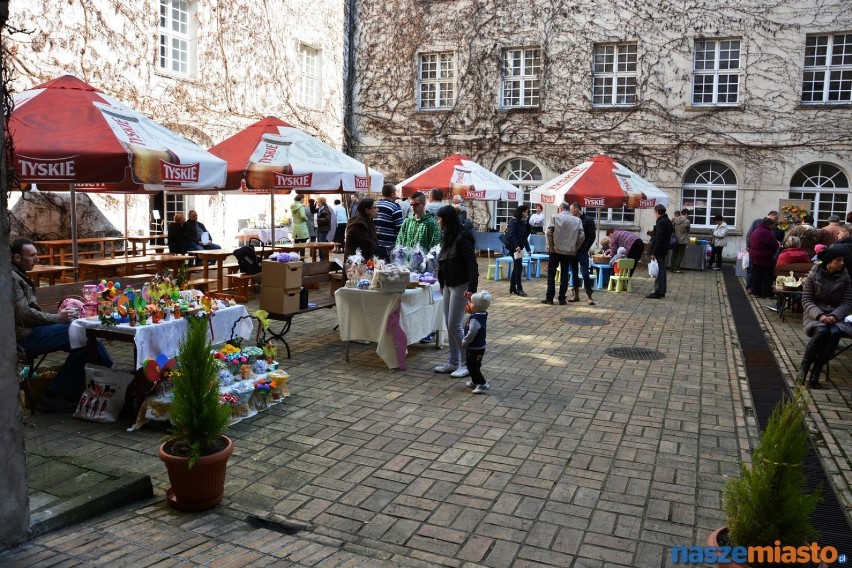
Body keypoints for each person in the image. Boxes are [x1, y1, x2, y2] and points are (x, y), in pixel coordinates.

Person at [12, 238, 112, 412]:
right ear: (17, 258)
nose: (37, 259)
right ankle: (55, 395)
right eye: (32, 255)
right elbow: (23, 314)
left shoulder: (17, 274)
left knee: (83, 342)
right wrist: (56, 318)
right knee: (79, 333)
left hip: (31, 331)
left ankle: (80, 386)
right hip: (23, 337)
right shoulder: (13, 278)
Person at [434, 205, 479, 379]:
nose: (438, 221)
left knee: (454, 325)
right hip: (448, 285)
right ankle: (454, 361)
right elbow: (443, 261)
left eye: (440, 218)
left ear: (447, 219)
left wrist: (472, 289)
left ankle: (467, 364)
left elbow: (471, 263)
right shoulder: (448, 236)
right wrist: (442, 282)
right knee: (449, 324)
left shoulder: (462, 237)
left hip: (461, 285)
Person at [800, 248, 852, 388]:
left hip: (837, 315)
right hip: (814, 314)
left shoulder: (845, 277)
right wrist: (820, 315)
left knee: (834, 332)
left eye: (843, 260)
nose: (842, 263)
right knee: (822, 331)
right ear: (829, 263)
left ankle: (816, 370)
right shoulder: (814, 275)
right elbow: (807, 300)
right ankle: (804, 368)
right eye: (838, 261)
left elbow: (847, 302)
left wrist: (835, 316)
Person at [397, 191, 443, 343]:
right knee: (411, 301)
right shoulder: (407, 222)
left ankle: (429, 330)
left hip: (426, 271)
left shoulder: (431, 223)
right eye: (411, 205)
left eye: (415, 205)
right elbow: (400, 242)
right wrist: (400, 259)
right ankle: (412, 329)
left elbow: (435, 245)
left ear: (423, 204)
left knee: (426, 300)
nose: (413, 208)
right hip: (409, 269)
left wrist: (427, 263)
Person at [541, 202, 584, 305]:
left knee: (551, 273)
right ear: (568, 209)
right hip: (568, 251)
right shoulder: (577, 220)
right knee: (564, 274)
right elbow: (582, 236)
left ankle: (549, 298)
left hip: (555, 250)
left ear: (560, 209)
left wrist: (551, 247)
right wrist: (575, 248)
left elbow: (548, 232)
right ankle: (562, 298)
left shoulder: (554, 217)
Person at [461, 290, 492, 394]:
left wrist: (465, 341)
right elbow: (477, 305)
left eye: (471, 303)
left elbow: (472, 332)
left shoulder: (475, 319)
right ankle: (475, 381)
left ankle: (482, 383)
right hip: (477, 347)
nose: (470, 305)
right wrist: (470, 298)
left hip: (474, 347)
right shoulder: (482, 313)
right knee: (472, 365)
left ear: (477, 306)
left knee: (473, 366)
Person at [569, 202, 596, 305]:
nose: (570, 212)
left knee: (585, 273)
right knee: (574, 273)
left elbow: (592, 236)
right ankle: (575, 294)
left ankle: (589, 296)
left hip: (582, 251)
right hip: (573, 250)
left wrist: (584, 249)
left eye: (571, 210)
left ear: (576, 209)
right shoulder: (572, 220)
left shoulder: (588, 220)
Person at [746, 210, 779, 291]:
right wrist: (777, 245)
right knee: (767, 275)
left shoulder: (758, 229)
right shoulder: (766, 232)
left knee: (756, 274)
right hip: (764, 257)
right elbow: (774, 244)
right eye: (773, 225)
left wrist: (750, 247)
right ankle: (766, 292)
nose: (773, 227)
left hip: (755, 255)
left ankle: (756, 291)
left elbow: (750, 237)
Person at [647, 204, 674, 299]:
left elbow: (659, 239)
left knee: (659, 271)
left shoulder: (661, 222)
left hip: (660, 249)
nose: (654, 214)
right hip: (664, 249)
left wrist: (654, 252)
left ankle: (658, 291)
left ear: (657, 212)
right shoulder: (667, 221)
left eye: (655, 212)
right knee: (662, 270)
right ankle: (662, 290)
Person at [504, 204, 531, 297]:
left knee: (517, 267)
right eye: (525, 212)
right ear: (520, 212)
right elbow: (511, 235)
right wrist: (516, 246)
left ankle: (512, 287)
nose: (527, 214)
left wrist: (528, 248)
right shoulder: (514, 222)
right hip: (514, 248)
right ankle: (519, 288)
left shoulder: (521, 222)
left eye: (527, 212)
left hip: (519, 247)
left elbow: (524, 237)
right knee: (518, 267)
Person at [374, 183, 404, 260]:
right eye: (395, 192)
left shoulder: (375, 205)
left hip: (375, 244)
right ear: (392, 194)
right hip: (389, 246)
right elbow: (400, 228)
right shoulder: (395, 207)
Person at [315, 197, 335, 261]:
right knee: (320, 244)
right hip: (320, 228)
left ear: (322, 202)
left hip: (324, 229)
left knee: (322, 244)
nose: (317, 203)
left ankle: (323, 258)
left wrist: (318, 219)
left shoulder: (326, 209)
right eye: (317, 202)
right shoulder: (320, 209)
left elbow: (327, 219)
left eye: (318, 202)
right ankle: (321, 257)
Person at [671, 208, 691, 273]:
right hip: (683, 240)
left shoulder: (674, 219)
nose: (688, 216)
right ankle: (676, 268)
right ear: (686, 214)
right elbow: (688, 230)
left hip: (674, 240)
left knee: (674, 254)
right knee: (680, 254)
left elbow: (672, 228)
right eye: (688, 215)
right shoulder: (687, 221)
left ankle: (672, 268)